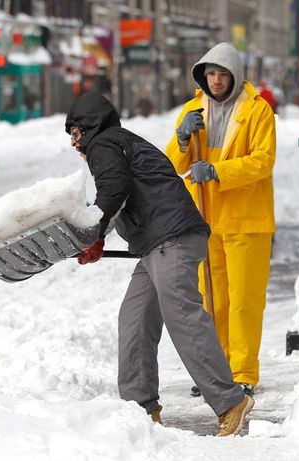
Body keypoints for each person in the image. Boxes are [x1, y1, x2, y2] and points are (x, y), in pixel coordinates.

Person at [65, 90, 253, 436]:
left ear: (89, 126)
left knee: (182, 315)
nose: (75, 142)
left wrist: (96, 233)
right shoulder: (118, 142)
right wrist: (97, 233)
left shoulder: (103, 145)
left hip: (171, 238)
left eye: (76, 132)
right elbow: (120, 193)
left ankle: (230, 402)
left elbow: (114, 191)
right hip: (158, 241)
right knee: (134, 318)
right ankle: (140, 409)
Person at [165, 42, 276, 397]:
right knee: (212, 301)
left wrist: (217, 170)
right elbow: (172, 166)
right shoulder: (191, 110)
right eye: (210, 74)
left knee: (244, 301)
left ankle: (242, 372)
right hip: (206, 220)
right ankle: (215, 371)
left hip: (246, 220)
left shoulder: (258, 112)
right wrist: (182, 138)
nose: (215, 80)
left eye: (222, 74)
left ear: (235, 76)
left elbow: (263, 161)